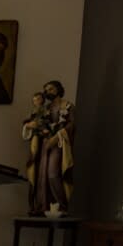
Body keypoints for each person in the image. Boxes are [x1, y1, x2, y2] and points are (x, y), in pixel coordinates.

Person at [25, 80, 75, 216]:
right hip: (44, 145)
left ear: (59, 89)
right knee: (42, 176)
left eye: (51, 89)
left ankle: (62, 206)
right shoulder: (44, 108)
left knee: (53, 174)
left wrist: (57, 137)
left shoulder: (68, 106)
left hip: (59, 144)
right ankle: (43, 206)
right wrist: (30, 126)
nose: (47, 92)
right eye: (46, 90)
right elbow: (33, 122)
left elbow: (71, 125)